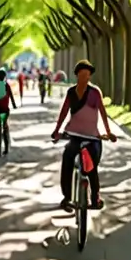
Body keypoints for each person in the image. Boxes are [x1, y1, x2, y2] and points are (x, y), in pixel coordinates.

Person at [51, 59, 117, 211]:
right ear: (77, 76)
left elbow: (103, 112)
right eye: (82, 75)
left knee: (92, 167)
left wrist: (108, 132)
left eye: (87, 75)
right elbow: (64, 111)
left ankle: (95, 198)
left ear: (90, 77)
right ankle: (67, 197)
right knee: (67, 161)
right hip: (73, 134)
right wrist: (57, 129)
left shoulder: (95, 93)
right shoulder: (70, 92)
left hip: (92, 137)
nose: (85, 78)